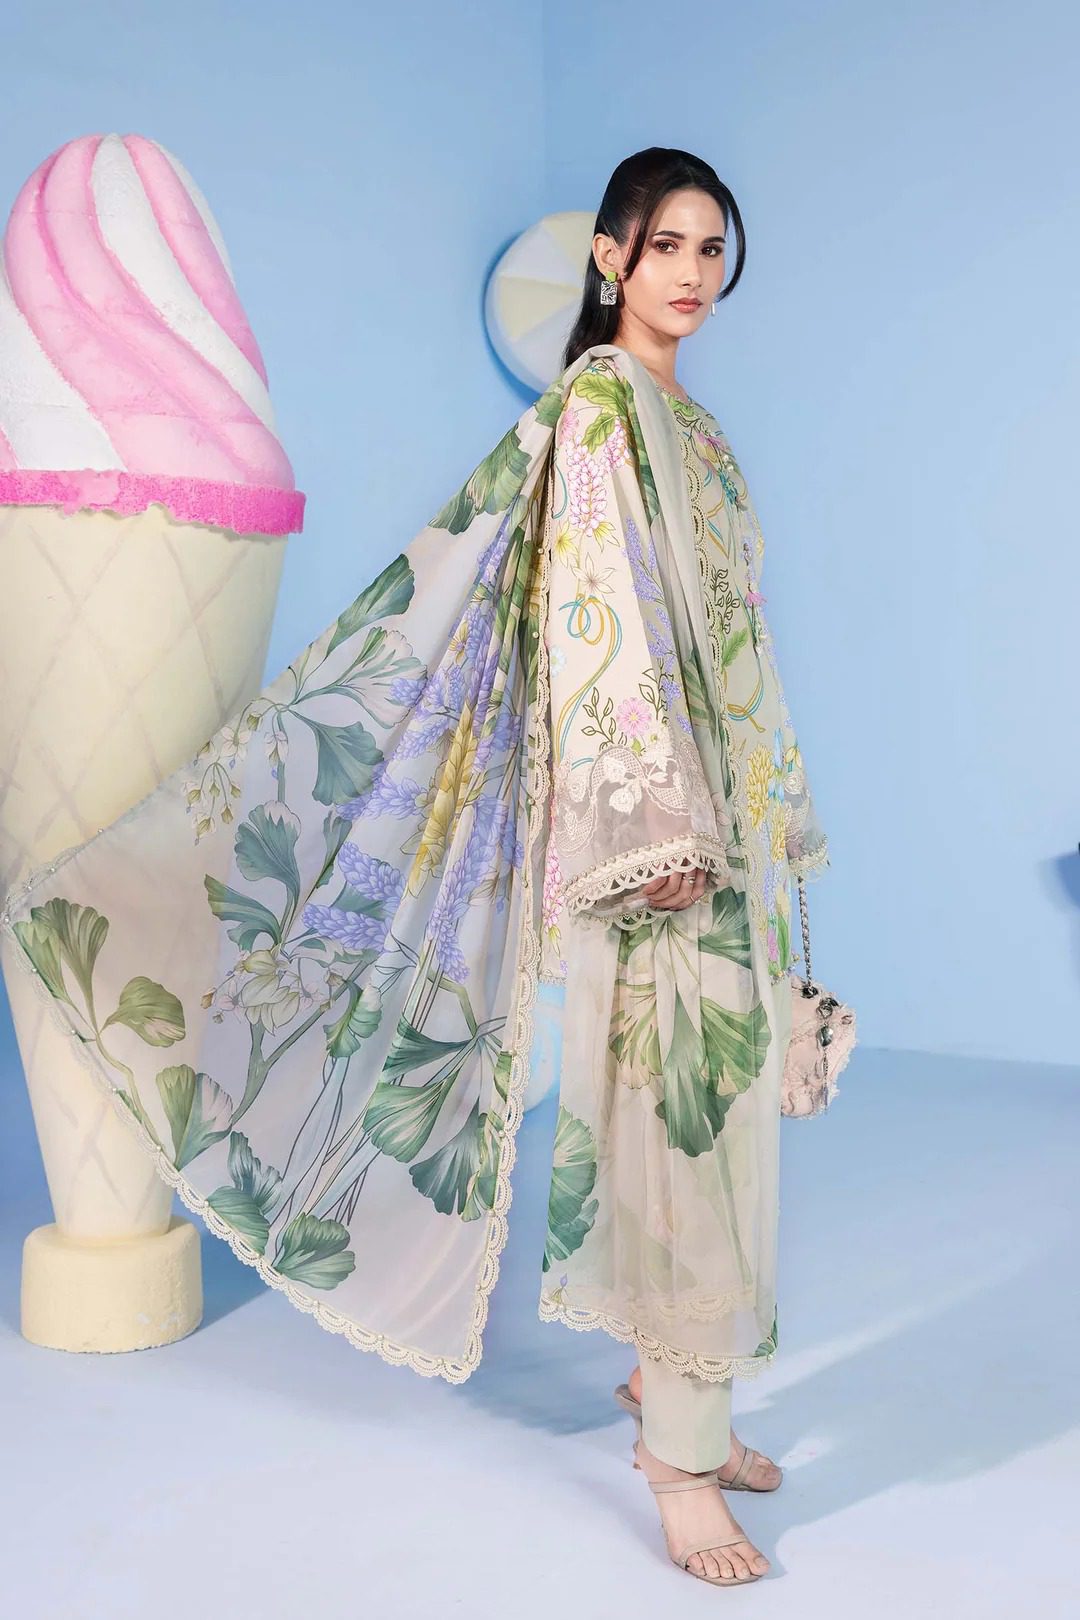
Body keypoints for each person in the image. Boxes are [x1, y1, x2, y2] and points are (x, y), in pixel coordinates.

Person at [2, 146, 828, 1589]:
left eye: (714, 249)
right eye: (668, 244)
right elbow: (601, 617)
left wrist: (753, 816)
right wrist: (656, 831)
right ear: (610, 258)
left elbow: (728, 632)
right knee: (684, 1122)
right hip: (656, 838)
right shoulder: (600, 406)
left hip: (715, 819)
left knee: (706, 1120)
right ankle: (681, 1462)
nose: (693, 272)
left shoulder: (693, 428)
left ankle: (676, 1388)